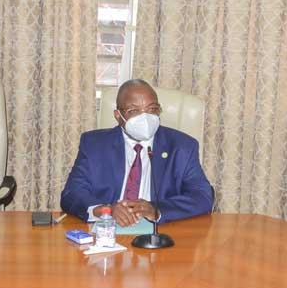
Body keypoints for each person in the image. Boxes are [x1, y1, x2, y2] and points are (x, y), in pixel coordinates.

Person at [60, 79, 213, 226]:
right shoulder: (94, 144)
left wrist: (156, 210)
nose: (145, 117)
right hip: (107, 230)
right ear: (118, 115)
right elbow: (72, 194)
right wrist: (106, 210)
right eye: (133, 110)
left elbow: (202, 196)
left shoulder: (182, 146)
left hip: (161, 232)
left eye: (152, 109)